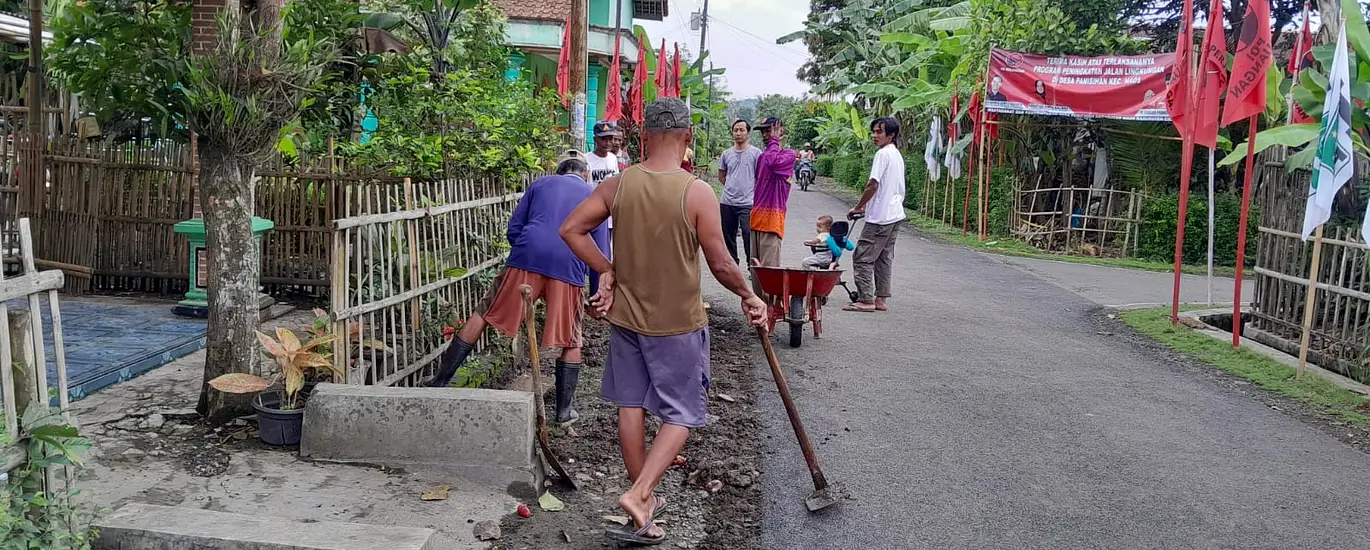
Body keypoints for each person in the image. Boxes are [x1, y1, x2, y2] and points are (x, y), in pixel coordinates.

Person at [559, 97, 767, 546]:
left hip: (627, 319)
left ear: (645, 138)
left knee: (630, 406)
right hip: (678, 324)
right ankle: (639, 494)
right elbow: (721, 263)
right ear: (687, 138)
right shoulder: (696, 192)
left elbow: (571, 229)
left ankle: (645, 506)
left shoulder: (618, 185)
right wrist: (750, 295)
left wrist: (606, 269)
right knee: (682, 412)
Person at [426, 150, 610, 426]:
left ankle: (441, 381)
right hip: (568, 263)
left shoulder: (540, 184)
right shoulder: (592, 194)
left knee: (484, 312)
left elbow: (514, 228)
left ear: (559, 170)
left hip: (528, 255)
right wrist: (596, 295)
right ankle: (563, 412)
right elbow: (600, 250)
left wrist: (524, 255)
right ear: (585, 173)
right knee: (572, 338)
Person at [845, 116, 906, 313]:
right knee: (883, 257)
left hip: (880, 217)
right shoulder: (896, 154)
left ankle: (866, 299)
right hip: (895, 214)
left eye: (879, 132)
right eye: (874, 131)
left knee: (862, 256)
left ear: (891, 135)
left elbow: (873, 184)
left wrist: (859, 207)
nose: (874, 135)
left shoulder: (882, 154)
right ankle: (881, 298)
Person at [749, 116, 797, 299]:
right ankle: (759, 307)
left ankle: (771, 308)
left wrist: (774, 141)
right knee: (755, 270)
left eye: (770, 130)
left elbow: (774, 162)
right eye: (764, 131)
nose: (765, 135)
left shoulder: (789, 155)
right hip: (756, 219)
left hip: (772, 221)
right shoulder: (762, 157)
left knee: (769, 271)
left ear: (781, 131)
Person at [718, 119, 762, 265]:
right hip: (727, 202)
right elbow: (721, 175)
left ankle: (752, 266)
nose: (738, 133)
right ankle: (732, 265)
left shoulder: (756, 154)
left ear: (748, 133)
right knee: (728, 236)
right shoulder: (726, 154)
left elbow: (760, 177)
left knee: (748, 234)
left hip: (748, 203)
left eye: (742, 130)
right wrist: (731, 186)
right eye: (735, 130)